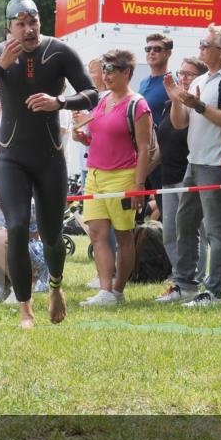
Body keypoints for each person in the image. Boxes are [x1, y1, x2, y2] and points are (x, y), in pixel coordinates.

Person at [0, 0, 97, 328]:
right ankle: (25, 309)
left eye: (33, 22)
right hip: (11, 157)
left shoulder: (59, 52)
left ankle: (55, 286)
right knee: (17, 226)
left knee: (53, 235)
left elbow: (92, 93)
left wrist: (60, 101)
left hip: (50, 156)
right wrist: (0, 64)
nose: (28, 30)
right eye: (21, 24)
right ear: (9, 27)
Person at [161, 24, 221, 307]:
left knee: (215, 230)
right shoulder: (204, 80)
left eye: (204, 44)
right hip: (194, 162)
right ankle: (186, 284)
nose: (200, 48)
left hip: (216, 164)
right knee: (184, 223)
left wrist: (197, 105)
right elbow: (179, 123)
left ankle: (214, 293)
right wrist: (177, 99)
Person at [72, 49, 152, 305]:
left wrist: (139, 185)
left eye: (111, 70)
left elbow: (144, 149)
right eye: (103, 69)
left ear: (127, 72)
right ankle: (105, 290)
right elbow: (97, 136)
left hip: (123, 177)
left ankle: (118, 290)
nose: (105, 75)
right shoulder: (101, 99)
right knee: (97, 233)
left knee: (123, 234)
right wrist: (82, 137)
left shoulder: (138, 105)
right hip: (95, 174)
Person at [155, 58, 209, 300]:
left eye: (190, 74)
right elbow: (173, 129)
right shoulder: (170, 104)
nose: (184, 78)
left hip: (189, 176)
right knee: (169, 233)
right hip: (168, 178)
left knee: (192, 232)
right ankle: (179, 279)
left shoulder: (202, 107)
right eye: (182, 73)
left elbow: (185, 127)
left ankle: (191, 281)